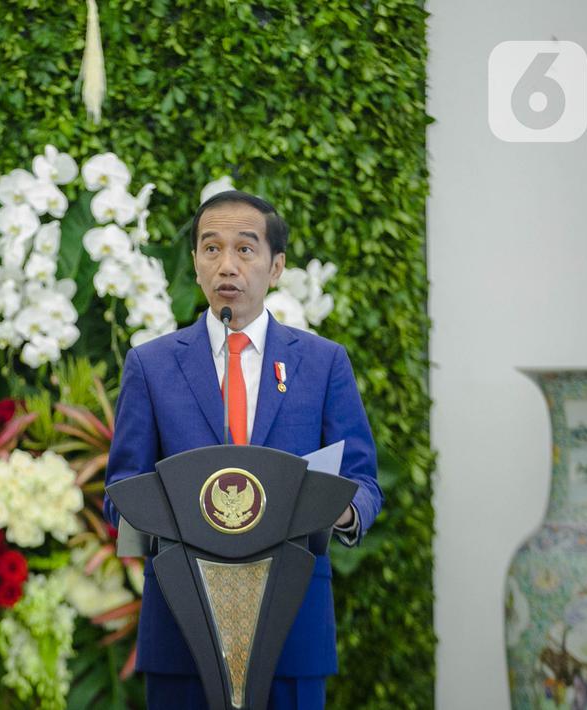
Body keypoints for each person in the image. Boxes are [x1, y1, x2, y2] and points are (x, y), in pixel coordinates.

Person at [103, 190, 383, 710]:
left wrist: (337, 510)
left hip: (293, 623)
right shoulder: (152, 366)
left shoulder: (322, 363)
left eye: (245, 249)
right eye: (211, 249)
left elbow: (364, 483)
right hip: (182, 627)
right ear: (194, 262)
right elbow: (121, 491)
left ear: (276, 266)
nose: (227, 264)